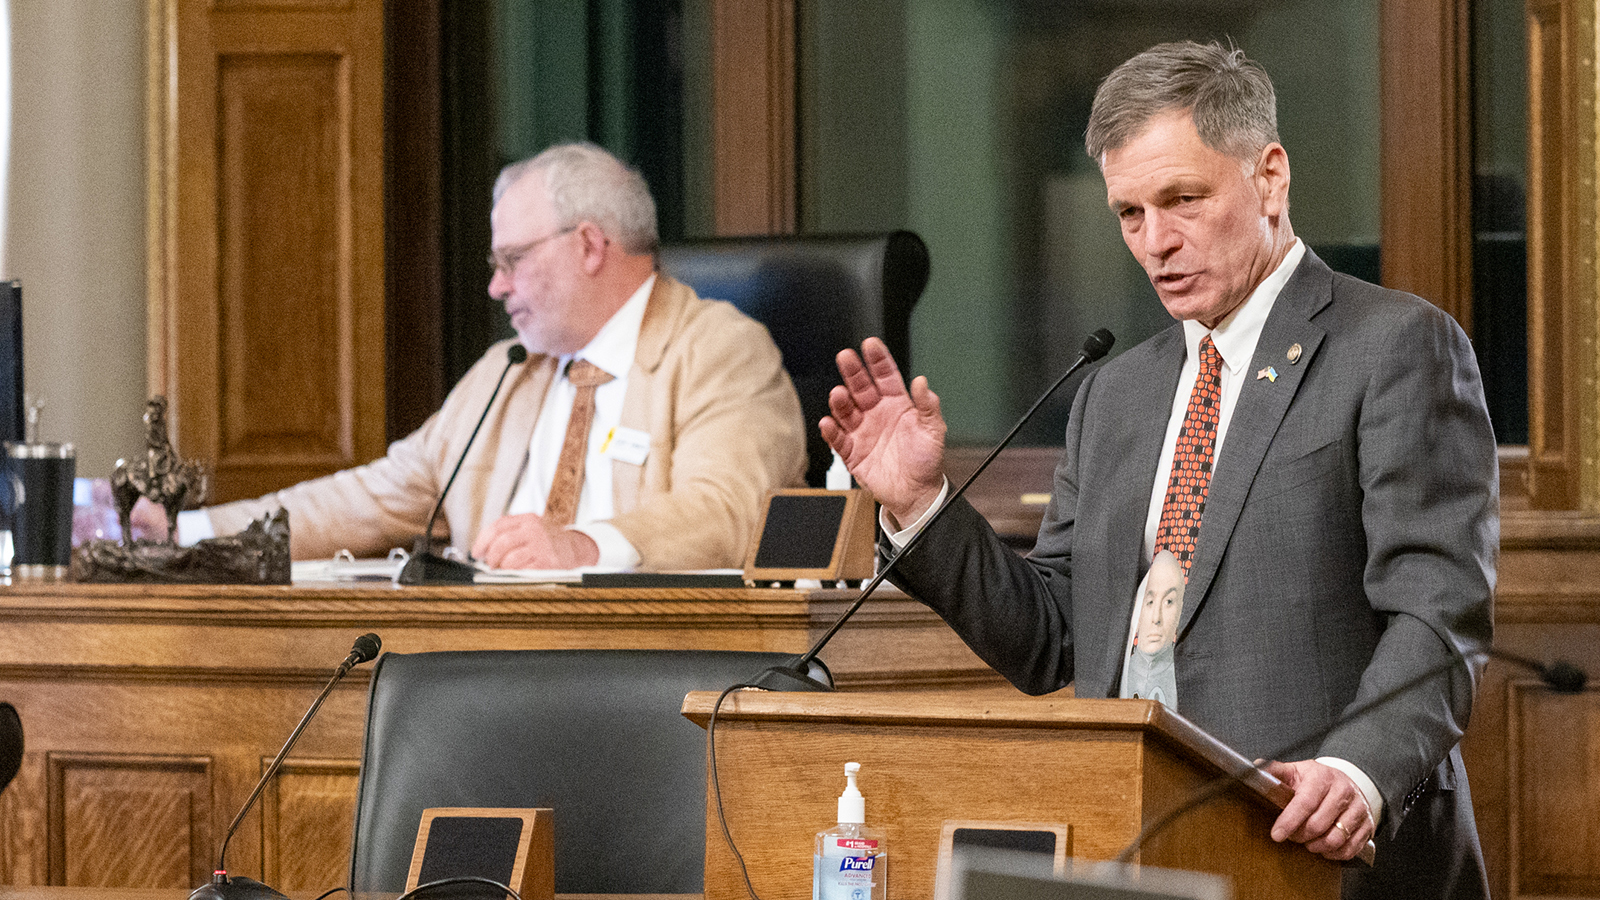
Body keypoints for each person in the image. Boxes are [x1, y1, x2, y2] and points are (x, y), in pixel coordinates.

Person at [820, 42, 1496, 900]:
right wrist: (920, 504)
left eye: (1183, 199)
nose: (1157, 242)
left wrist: (1358, 772)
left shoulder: (1395, 346)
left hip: (1318, 848)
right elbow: (1053, 638)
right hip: (1133, 840)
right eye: (1130, 213)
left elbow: (1439, 618)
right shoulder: (1118, 392)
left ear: (1270, 178)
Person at [151, 141, 807, 570]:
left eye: (513, 260)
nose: (496, 285)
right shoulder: (507, 369)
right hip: (480, 660)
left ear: (588, 246)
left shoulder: (718, 348)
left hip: (649, 673)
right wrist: (187, 533)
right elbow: (372, 495)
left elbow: (732, 511)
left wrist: (579, 546)